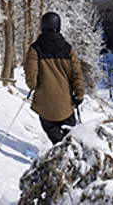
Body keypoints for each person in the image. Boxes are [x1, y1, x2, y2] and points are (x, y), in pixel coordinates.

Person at [25, 12, 85, 144]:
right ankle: (72, 156)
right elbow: (76, 74)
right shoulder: (67, 48)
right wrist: (79, 95)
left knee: (56, 138)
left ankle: (60, 152)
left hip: (45, 106)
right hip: (66, 105)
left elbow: (31, 81)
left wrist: (36, 84)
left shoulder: (35, 48)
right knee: (71, 138)